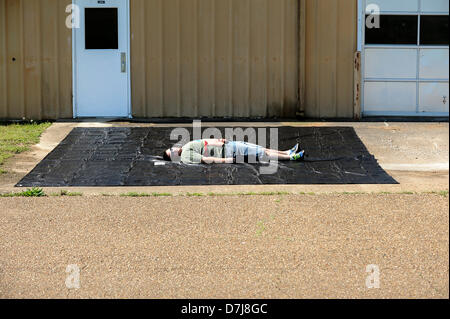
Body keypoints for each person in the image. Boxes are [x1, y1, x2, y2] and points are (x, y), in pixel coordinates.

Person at [163, 139, 305, 164]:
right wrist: (227, 160)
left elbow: (204, 142)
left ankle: (287, 152)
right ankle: (292, 158)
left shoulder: (187, 146)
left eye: (171, 149)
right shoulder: (186, 156)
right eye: (172, 153)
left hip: (228, 146)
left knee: (262, 149)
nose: (174, 150)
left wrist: (218, 140)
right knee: (262, 154)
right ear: (174, 157)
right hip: (228, 153)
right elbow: (206, 159)